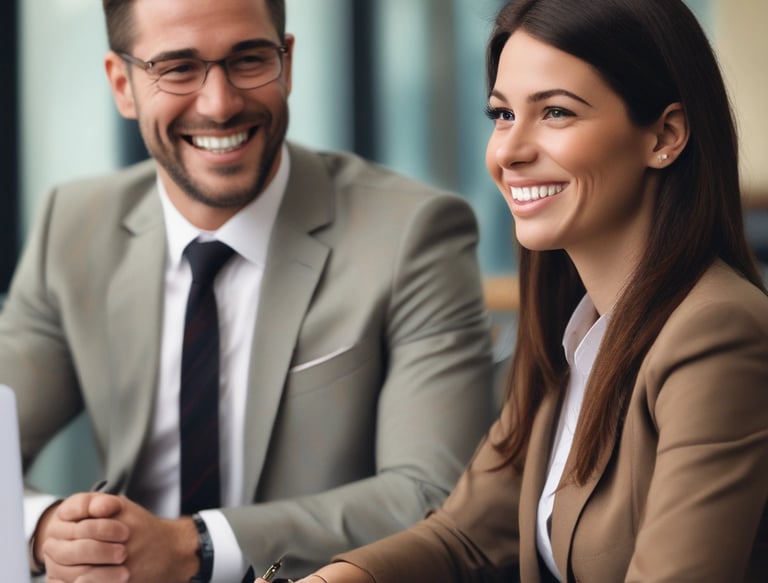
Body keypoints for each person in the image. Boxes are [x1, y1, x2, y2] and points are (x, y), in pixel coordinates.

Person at [272, 0, 768, 582]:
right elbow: (465, 536)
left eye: (555, 112)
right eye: (502, 115)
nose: (508, 151)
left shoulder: (716, 333)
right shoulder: (573, 333)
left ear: (665, 135)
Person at [0, 0, 495, 581]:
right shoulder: (74, 225)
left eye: (249, 59)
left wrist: (193, 546)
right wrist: (46, 528)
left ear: (286, 62)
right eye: (178, 68)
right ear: (123, 84)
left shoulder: (414, 233)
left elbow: (434, 498)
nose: (220, 103)